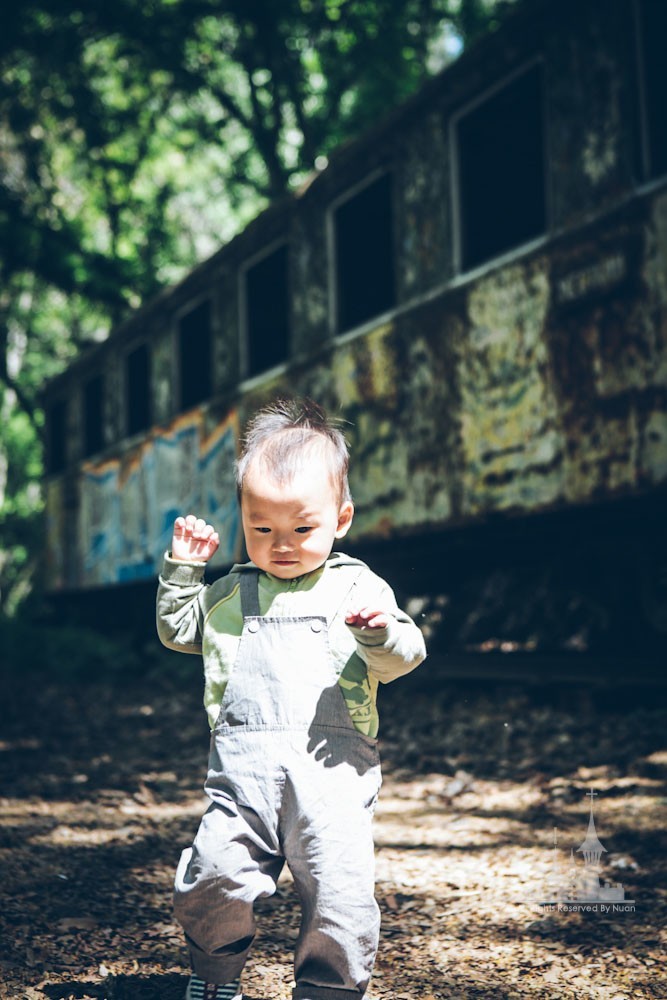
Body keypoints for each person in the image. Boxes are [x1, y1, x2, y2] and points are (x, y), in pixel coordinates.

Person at [157, 398, 426, 1000]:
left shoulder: (358, 587)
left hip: (332, 778)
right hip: (240, 776)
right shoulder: (230, 593)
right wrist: (183, 570)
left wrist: (379, 632)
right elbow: (179, 631)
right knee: (212, 877)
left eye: (302, 529)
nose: (282, 544)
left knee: (341, 897)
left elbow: (406, 654)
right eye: (262, 529)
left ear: (342, 517)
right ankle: (216, 975)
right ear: (244, 518)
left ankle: (328, 991)